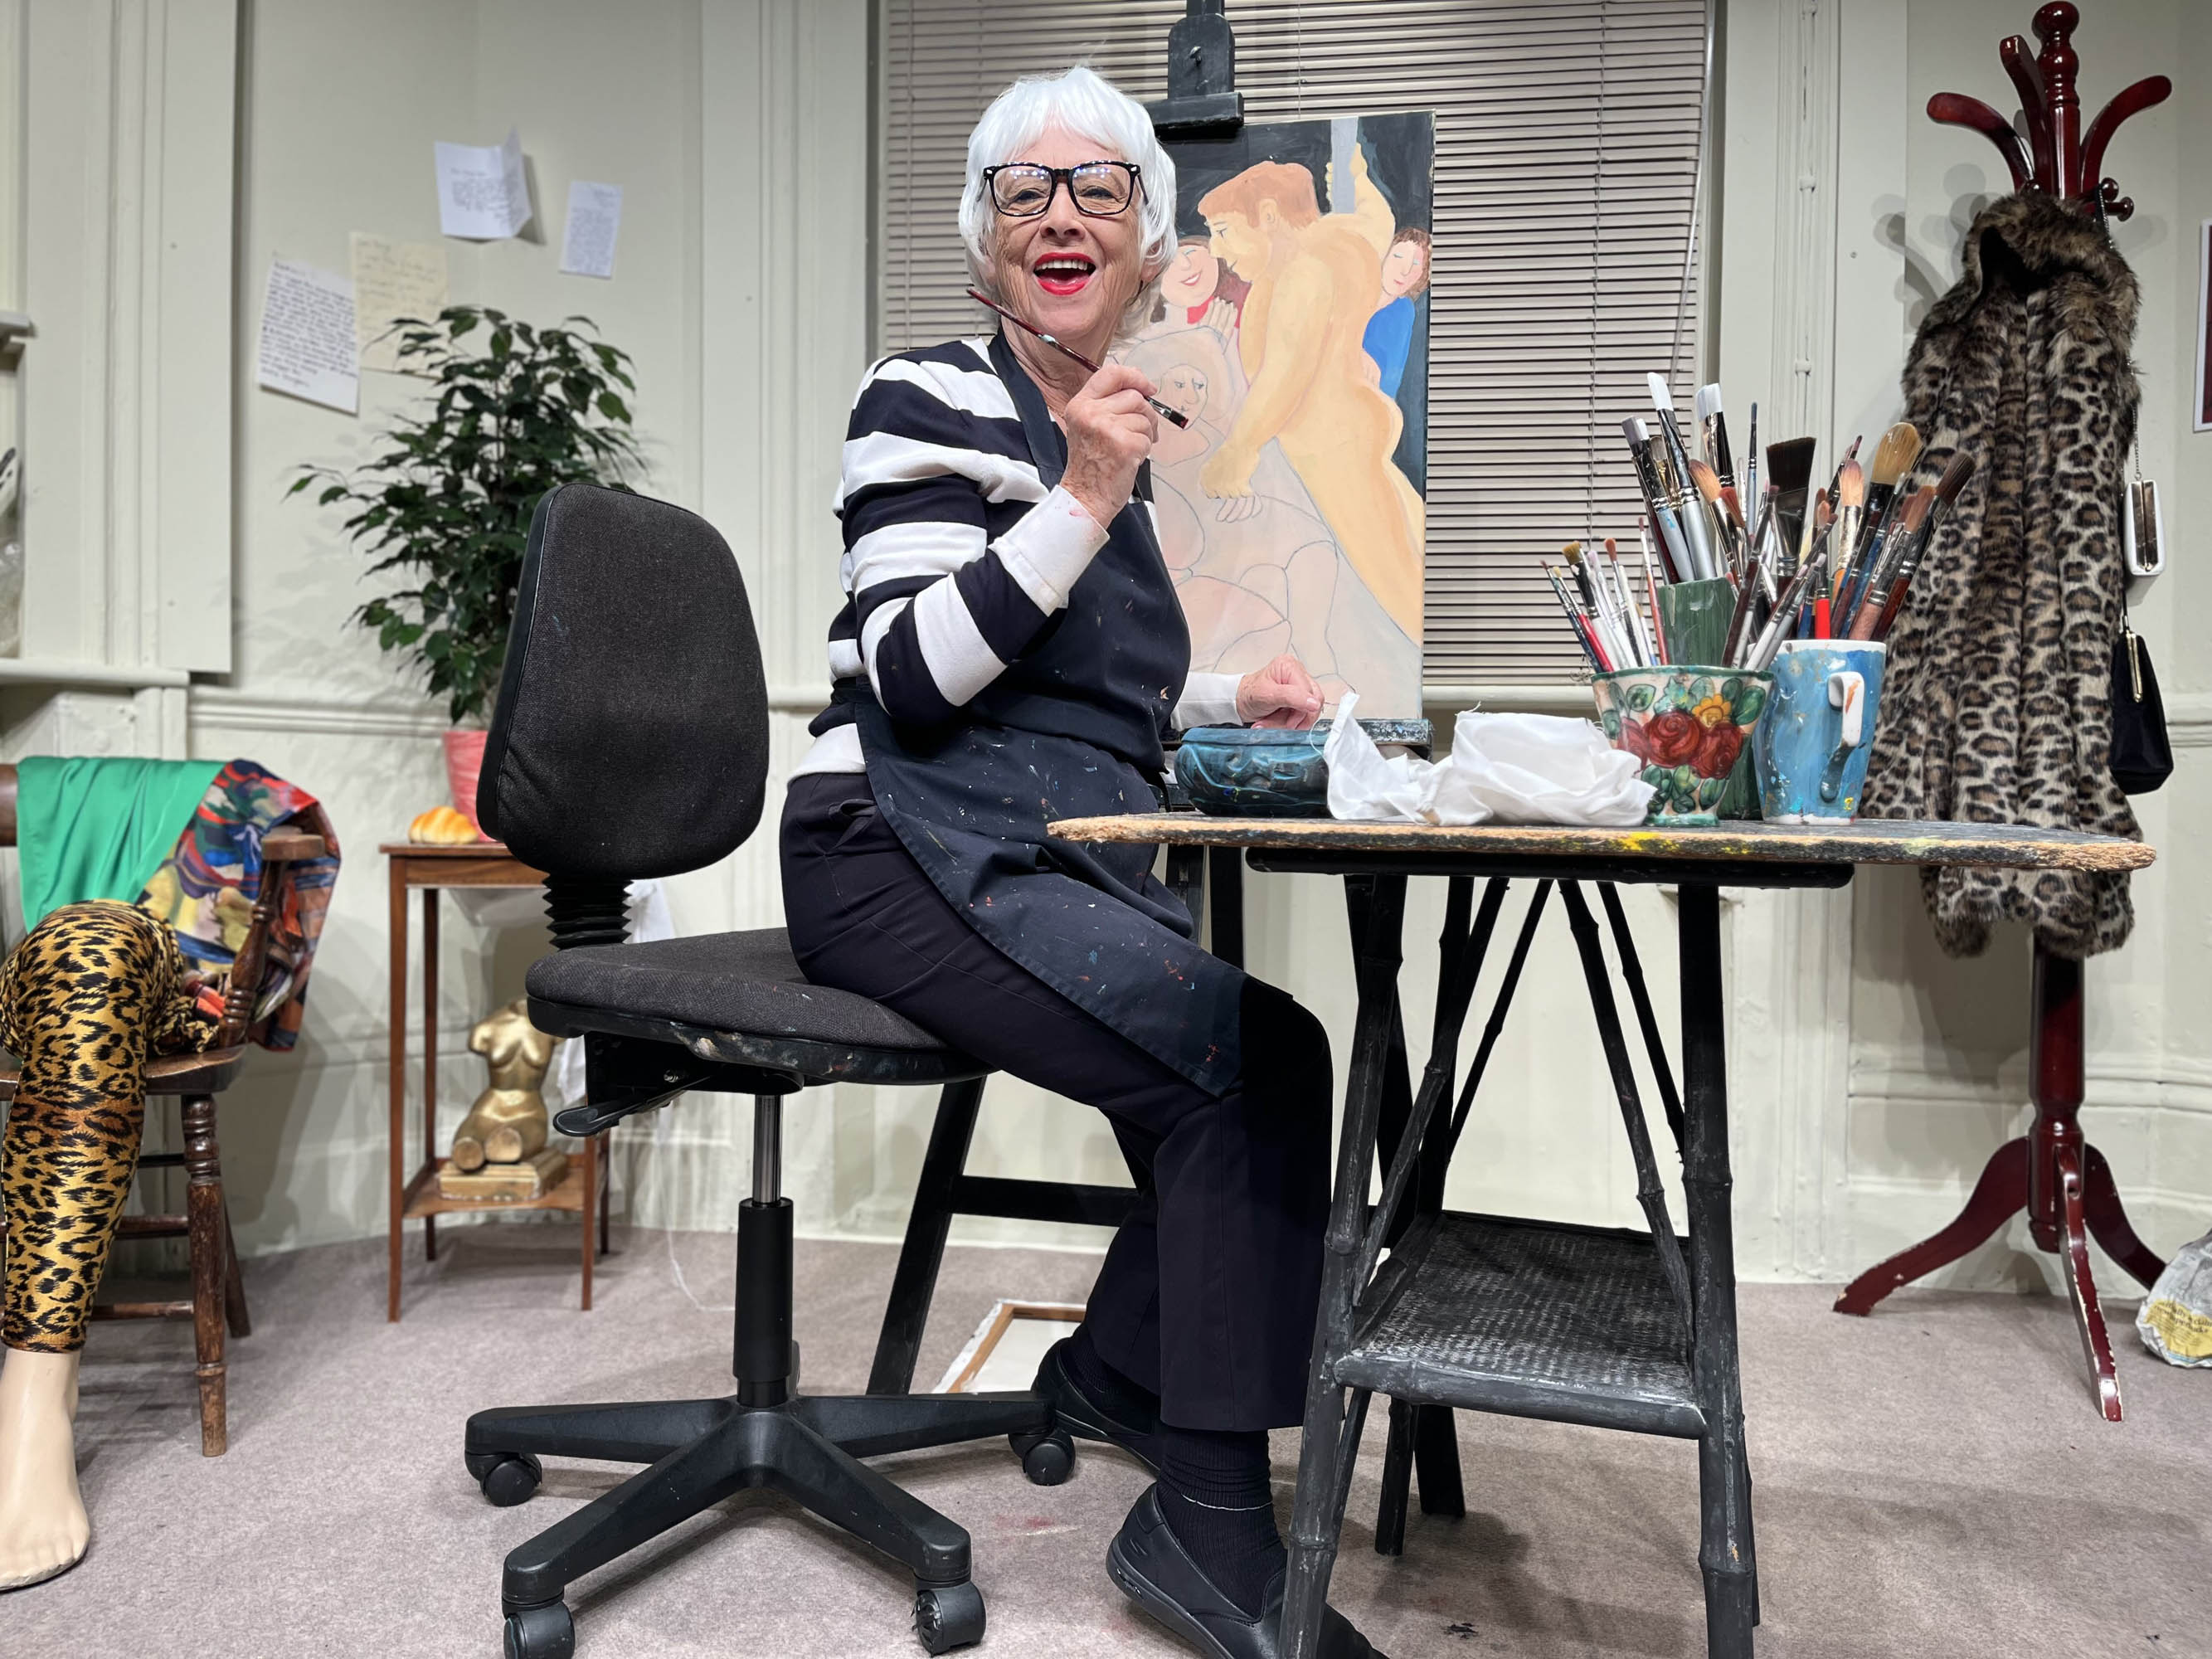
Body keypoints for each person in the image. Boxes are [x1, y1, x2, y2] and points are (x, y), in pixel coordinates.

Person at [780, 64, 1384, 1659]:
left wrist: (1223, 696)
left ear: (1145, 246)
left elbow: (1076, 685)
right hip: (888, 843)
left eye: (1098, 188)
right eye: (1023, 189)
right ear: (984, 238)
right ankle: (1207, 1521)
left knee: (1274, 1051)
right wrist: (1086, 488)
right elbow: (915, 676)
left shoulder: (1111, 436)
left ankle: (1116, 1373)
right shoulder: (926, 395)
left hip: (1034, 842)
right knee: (1229, 1066)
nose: (1060, 214)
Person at [1198, 160, 1426, 640]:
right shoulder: (1338, 240)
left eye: (1224, 231)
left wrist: (1237, 452)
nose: (1216, 249)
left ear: (1268, 215)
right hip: (1349, 441)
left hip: (1329, 456)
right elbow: (1379, 222)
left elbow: (1286, 372)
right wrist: (1359, 179)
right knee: (1399, 561)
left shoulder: (1304, 271)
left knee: (1389, 592)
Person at [1361, 226, 1431, 399]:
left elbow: (1386, 382)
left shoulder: (1402, 311)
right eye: (1398, 257)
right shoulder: (1356, 290)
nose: (1405, 271)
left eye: (1416, 264)